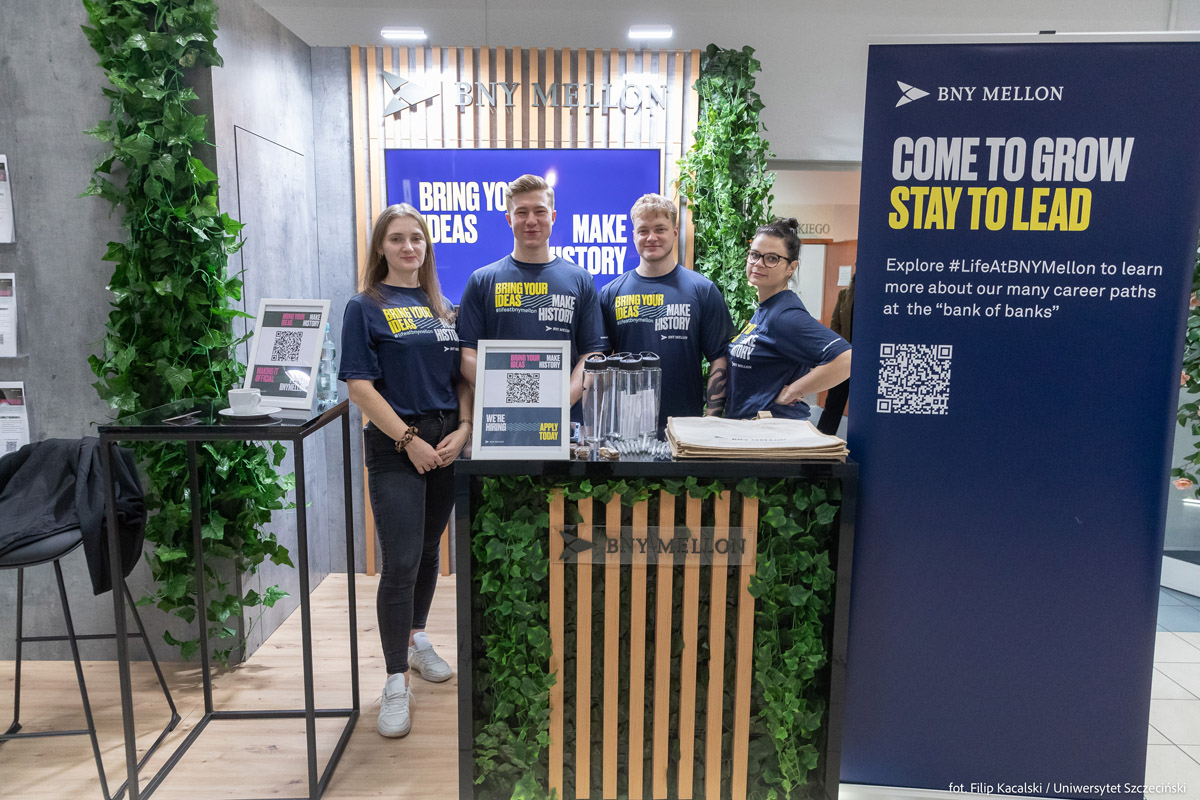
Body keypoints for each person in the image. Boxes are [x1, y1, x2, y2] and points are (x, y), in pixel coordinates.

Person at [338, 203, 472, 739]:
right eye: (397, 238)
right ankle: (395, 680)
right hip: (397, 446)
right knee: (399, 562)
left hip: (446, 442)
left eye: (417, 238)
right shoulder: (364, 306)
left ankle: (416, 639)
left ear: (427, 246)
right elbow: (360, 387)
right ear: (381, 247)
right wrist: (408, 440)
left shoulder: (443, 307)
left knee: (429, 549)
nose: (409, 246)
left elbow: (459, 377)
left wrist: (464, 428)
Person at [457, 174, 606, 417]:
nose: (531, 221)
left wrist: (557, 404)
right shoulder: (482, 280)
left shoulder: (581, 279)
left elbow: (592, 355)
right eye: (521, 212)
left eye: (540, 211)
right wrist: (525, 396)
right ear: (509, 219)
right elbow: (467, 357)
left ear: (553, 217)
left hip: (562, 420)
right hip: (501, 419)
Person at [599, 193, 734, 427]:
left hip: (686, 426)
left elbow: (719, 357)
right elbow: (598, 363)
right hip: (626, 427)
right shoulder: (611, 293)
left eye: (660, 229)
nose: (651, 237)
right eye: (643, 231)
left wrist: (711, 421)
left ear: (674, 232)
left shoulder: (703, 290)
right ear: (633, 236)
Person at [725, 218, 852, 421]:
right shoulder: (767, 309)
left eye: (772, 258)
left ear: (791, 268)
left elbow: (846, 359)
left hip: (772, 432)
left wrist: (793, 391)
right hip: (750, 430)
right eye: (755, 255)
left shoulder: (784, 316)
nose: (759, 263)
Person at [817, 271, 854, 435]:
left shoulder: (874, 296)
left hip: (866, 359)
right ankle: (823, 438)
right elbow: (835, 323)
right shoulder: (844, 294)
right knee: (834, 401)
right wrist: (842, 348)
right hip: (845, 355)